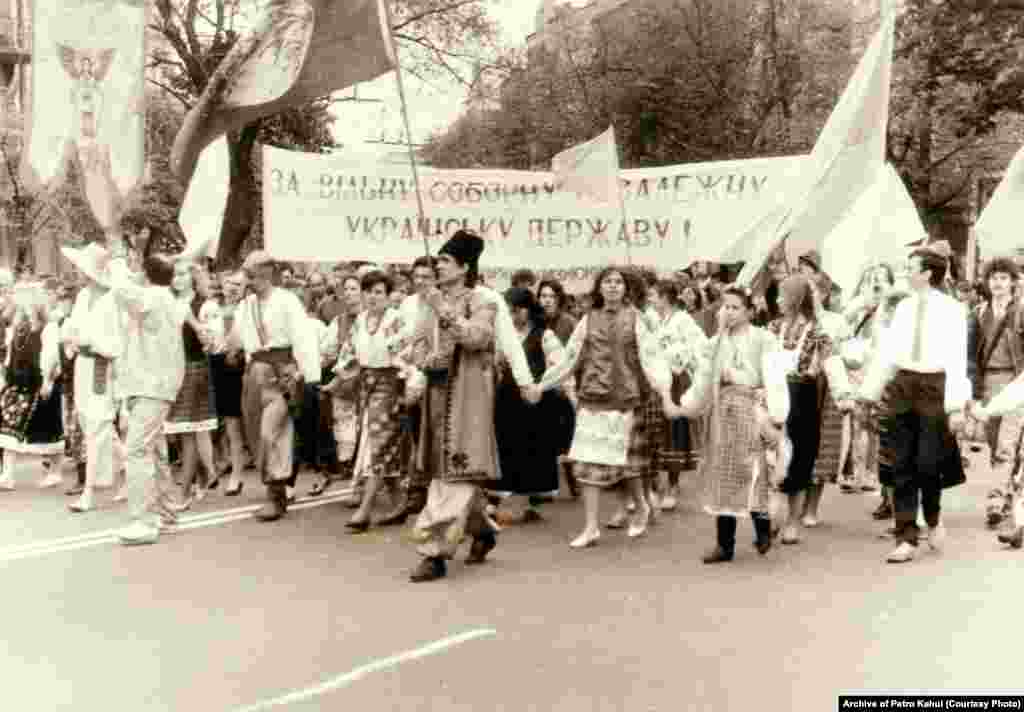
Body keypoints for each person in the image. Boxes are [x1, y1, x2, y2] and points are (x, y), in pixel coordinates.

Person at [534, 266, 672, 549]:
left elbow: (652, 357)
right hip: (593, 398)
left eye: (617, 282)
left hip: (626, 400)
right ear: (599, 288)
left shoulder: (636, 318)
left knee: (629, 465)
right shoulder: (587, 320)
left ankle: (641, 506)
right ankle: (590, 527)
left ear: (625, 288)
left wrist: (664, 390)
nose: (612, 287)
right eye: (607, 282)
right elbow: (570, 357)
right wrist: (542, 385)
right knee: (587, 466)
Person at [405, 231, 514, 582]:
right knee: (445, 471)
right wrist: (427, 359)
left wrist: (442, 307)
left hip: (467, 398)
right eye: (437, 260)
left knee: (455, 473)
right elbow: (418, 345)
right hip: (436, 395)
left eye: (445, 261)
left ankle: (434, 554)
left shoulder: (484, 301)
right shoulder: (427, 304)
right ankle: (481, 529)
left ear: (464, 267)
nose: (438, 265)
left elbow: (476, 339)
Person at [858, 247, 968, 563]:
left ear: (928, 273)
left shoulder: (951, 309)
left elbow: (957, 360)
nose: (906, 273)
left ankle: (932, 516)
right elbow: (888, 354)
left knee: (928, 463)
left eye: (911, 268)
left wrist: (956, 406)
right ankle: (906, 534)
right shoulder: (904, 308)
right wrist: (869, 392)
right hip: (904, 384)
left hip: (935, 385)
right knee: (901, 462)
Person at [668, 286, 789, 562]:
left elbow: (774, 375)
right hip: (723, 415)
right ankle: (725, 544)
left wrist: (777, 414)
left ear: (748, 310)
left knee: (753, 471)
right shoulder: (715, 343)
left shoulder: (763, 339)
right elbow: (703, 378)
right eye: (726, 307)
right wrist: (688, 405)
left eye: (736, 307)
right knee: (723, 475)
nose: (730, 312)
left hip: (752, 411)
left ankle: (763, 530)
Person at [105, 236, 190, 546]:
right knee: (154, 450)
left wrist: (115, 260)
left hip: (152, 385)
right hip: (158, 384)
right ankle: (167, 513)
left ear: (145, 275)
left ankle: (142, 520)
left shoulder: (153, 298)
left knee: (137, 449)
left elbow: (121, 290)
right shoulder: (167, 299)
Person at [227, 251, 321, 522]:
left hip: (280, 371)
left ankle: (276, 494)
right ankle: (276, 485)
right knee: (257, 434)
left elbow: (302, 338)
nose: (246, 278)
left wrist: (306, 374)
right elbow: (237, 340)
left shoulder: (287, 300)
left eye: (250, 273)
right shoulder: (246, 305)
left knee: (272, 432)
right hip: (253, 372)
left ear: (266, 273)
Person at [768, 274, 852, 545]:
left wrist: (843, 396)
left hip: (803, 398)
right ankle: (772, 514)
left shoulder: (817, 333)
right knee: (774, 457)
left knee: (800, 460)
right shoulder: (772, 329)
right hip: (776, 397)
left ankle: (793, 521)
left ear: (796, 298)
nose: (778, 300)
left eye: (782, 295)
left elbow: (833, 364)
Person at [333, 270, 410, 532]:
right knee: (376, 444)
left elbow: (405, 355)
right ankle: (400, 502)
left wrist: (405, 384)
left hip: (390, 386)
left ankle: (365, 509)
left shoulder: (396, 320)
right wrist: (338, 379)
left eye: (378, 292)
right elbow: (349, 356)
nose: (372, 297)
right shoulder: (360, 321)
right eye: (368, 291)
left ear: (389, 296)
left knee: (377, 445)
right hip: (365, 386)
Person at [491, 287, 571, 522]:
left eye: (517, 311)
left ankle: (527, 501)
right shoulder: (502, 336)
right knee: (506, 447)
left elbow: (560, 365)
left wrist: (542, 386)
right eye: (509, 312)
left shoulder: (544, 335)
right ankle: (502, 498)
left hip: (534, 403)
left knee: (532, 450)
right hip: (506, 399)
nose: (514, 316)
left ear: (528, 310)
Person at [967, 257, 1024, 530]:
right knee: (993, 443)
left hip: (1015, 382)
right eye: (993, 278)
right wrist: (974, 389)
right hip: (988, 381)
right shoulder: (979, 313)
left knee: (1006, 444)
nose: (997, 283)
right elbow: (971, 356)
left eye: (1003, 278)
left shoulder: (1022, 311)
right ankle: (1008, 488)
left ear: (1013, 282)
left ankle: (996, 501)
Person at [0, 285, 66, 490]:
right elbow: (10, 355)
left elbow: (52, 358)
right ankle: (8, 475)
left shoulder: (48, 327)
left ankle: (55, 471)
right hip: (17, 384)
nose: (17, 300)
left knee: (47, 430)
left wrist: (47, 381)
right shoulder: (17, 325)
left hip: (39, 384)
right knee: (6, 428)